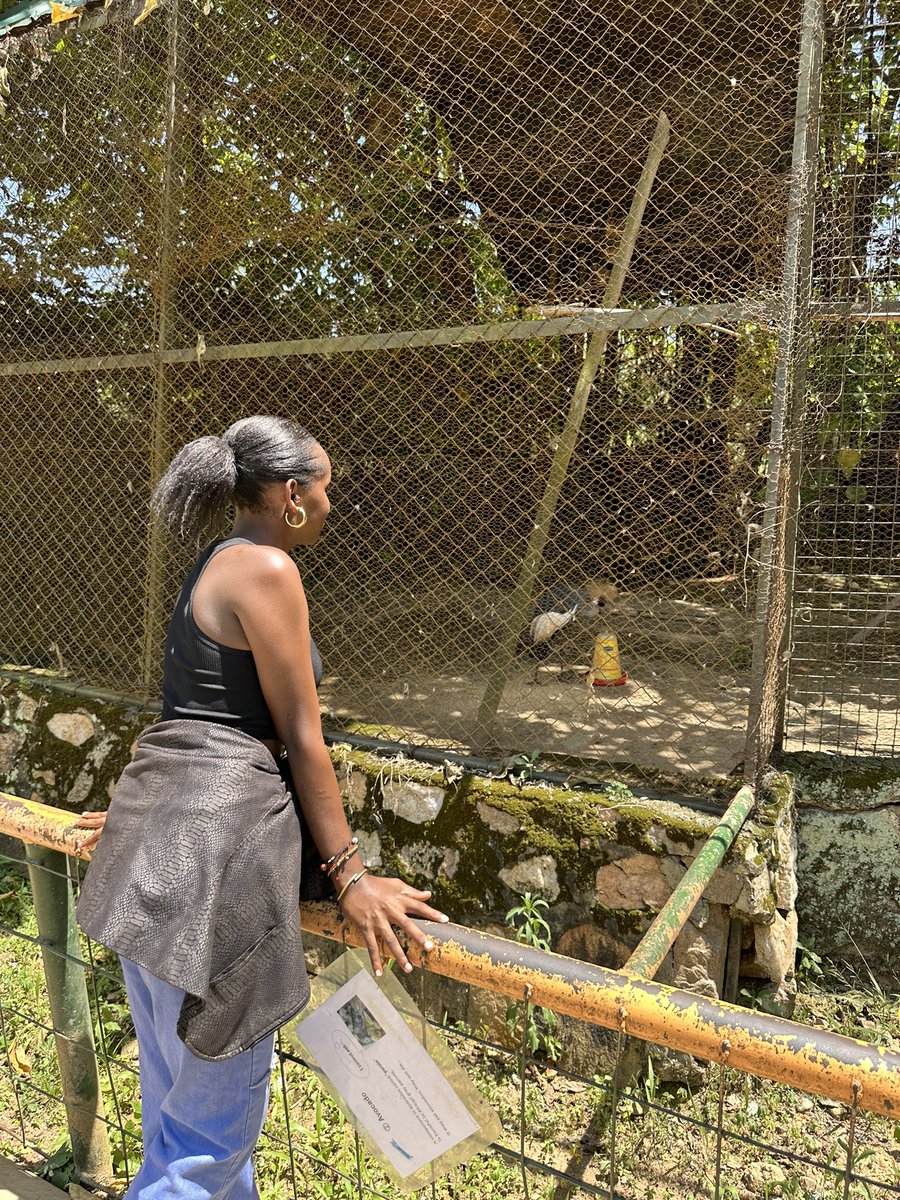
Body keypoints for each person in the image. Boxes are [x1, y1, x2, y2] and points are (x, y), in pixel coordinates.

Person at [74, 415, 449, 1200]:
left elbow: (194, 716)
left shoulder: (215, 562)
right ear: (291, 495)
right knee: (204, 1157)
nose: (333, 503)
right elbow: (302, 738)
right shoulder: (269, 569)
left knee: (176, 1134)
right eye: (326, 487)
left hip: (155, 863)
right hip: (214, 882)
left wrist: (151, 821)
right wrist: (351, 878)